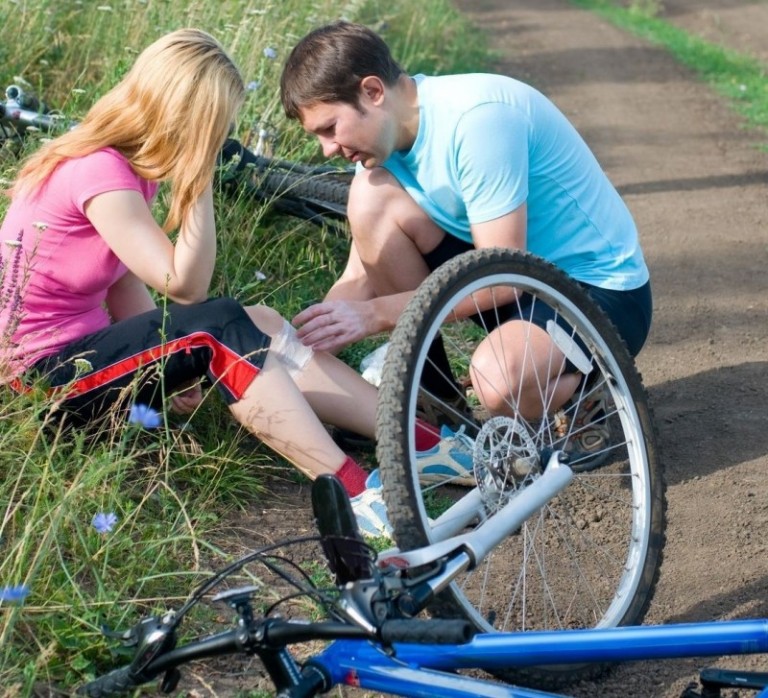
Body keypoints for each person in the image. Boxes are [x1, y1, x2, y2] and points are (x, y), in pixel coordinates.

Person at [0, 28, 468, 538]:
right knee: (218, 325)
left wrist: (169, 365)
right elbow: (185, 287)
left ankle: (424, 445)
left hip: (82, 357)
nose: (221, 139)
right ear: (188, 117)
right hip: (43, 381)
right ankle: (354, 493)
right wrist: (197, 176)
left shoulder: (122, 167)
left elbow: (121, 286)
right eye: (215, 127)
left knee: (255, 323)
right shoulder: (99, 172)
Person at [279, 21, 652, 449]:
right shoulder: (383, 143)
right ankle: (439, 406)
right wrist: (297, 348)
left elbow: (503, 278)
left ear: (373, 91)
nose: (327, 149)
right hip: (514, 282)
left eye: (330, 129)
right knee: (369, 196)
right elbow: (360, 274)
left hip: (597, 292)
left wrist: (374, 315)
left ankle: (588, 393)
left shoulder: (478, 121)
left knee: (498, 380)